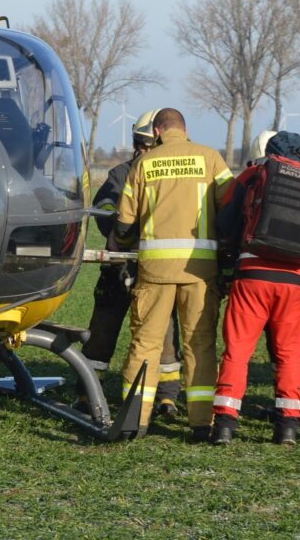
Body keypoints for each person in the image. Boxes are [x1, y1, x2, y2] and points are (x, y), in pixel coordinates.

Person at [116, 108, 232, 440]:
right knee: (200, 344)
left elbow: (124, 223)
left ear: (157, 131)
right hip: (199, 270)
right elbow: (232, 206)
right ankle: (200, 423)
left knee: (145, 344)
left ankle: (134, 420)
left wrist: (125, 241)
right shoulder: (210, 159)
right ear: (184, 128)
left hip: (154, 272)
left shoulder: (144, 163)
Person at [211, 131, 300, 446]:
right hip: (296, 279)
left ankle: (226, 424)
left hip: (253, 275)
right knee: (289, 355)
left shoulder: (253, 174)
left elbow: (226, 221)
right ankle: (287, 425)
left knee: (238, 351)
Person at [81, 110, 182, 418]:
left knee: (164, 334)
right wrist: (117, 225)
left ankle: (167, 397)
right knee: (102, 331)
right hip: (119, 268)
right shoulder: (120, 174)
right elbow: (105, 206)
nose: (142, 150)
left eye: (148, 144)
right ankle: (88, 392)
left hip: (155, 268)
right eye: (139, 143)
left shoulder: (172, 176)